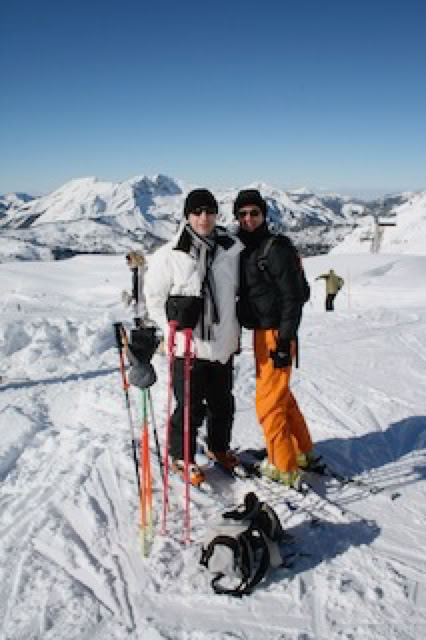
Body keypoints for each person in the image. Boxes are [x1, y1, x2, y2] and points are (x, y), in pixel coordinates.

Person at [144, 188, 243, 486]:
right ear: (187, 216)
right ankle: (181, 456)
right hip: (188, 345)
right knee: (189, 406)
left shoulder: (231, 249)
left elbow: (237, 293)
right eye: (197, 212)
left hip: (222, 342)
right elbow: (154, 299)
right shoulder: (170, 254)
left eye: (209, 211)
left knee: (222, 403)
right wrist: (171, 331)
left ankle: (218, 447)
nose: (204, 217)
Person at [235, 188, 316, 489]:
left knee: (267, 403)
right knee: (281, 396)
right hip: (263, 332)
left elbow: (293, 299)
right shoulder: (247, 246)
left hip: (276, 334)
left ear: (264, 215)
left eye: (254, 213)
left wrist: (284, 342)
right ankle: (301, 451)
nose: (248, 218)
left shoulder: (274, 249)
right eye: (242, 214)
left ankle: (283, 466)